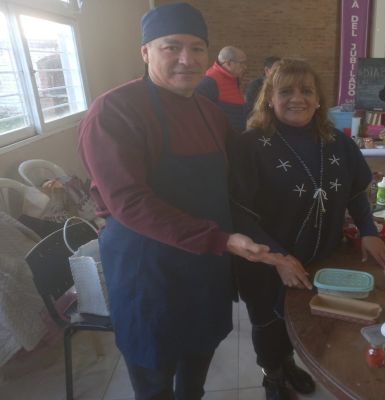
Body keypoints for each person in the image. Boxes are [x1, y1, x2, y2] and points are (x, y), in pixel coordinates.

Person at [78, 4, 285, 399]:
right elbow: (129, 202)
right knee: (155, 382)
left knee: (196, 370)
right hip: (149, 273)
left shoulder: (209, 112)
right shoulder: (114, 110)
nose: (186, 59)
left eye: (196, 48)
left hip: (204, 271)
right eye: (171, 47)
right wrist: (220, 239)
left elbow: (237, 180)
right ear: (145, 52)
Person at [228, 59, 385, 400]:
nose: (297, 98)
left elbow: (355, 192)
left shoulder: (337, 143)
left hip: (319, 257)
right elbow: (238, 213)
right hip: (266, 261)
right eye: (285, 91)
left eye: (306, 91)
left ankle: (288, 363)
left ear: (319, 99)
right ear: (269, 99)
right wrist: (277, 258)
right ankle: (272, 376)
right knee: (269, 323)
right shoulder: (250, 146)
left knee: (302, 320)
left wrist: (368, 230)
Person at [196, 46, 247, 134]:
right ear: (228, 63)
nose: (245, 67)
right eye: (241, 63)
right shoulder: (209, 82)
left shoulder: (233, 78)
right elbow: (199, 116)